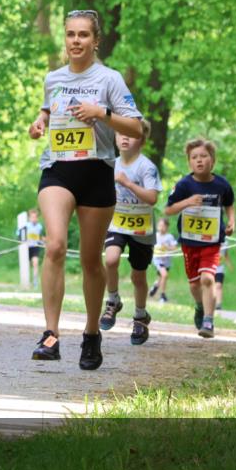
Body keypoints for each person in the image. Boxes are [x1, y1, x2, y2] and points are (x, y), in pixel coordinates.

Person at [27, 9, 143, 368]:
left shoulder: (109, 79)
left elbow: (137, 128)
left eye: (83, 35)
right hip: (58, 169)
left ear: (95, 41)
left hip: (97, 171)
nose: (76, 41)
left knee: (92, 261)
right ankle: (50, 334)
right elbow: (49, 111)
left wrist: (102, 114)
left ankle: (92, 334)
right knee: (56, 245)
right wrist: (40, 120)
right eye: (70, 34)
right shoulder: (53, 78)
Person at [165, 138, 235, 339]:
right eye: (194, 157)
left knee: (208, 278)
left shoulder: (222, 185)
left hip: (212, 241)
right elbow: (169, 209)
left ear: (212, 160)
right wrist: (186, 202)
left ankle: (208, 320)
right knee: (194, 284)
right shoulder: (184, 185)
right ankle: (199, 306)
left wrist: (231, 221)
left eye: (204, 156)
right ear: (189, 162)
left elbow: (229, 204)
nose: (199, 160)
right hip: (189, 242)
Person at [100, 120, 161, 345]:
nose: (125, 138)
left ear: (142, 141)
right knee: (111, 259)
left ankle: (140, 316)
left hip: (141, 225)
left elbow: (153, 198)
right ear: (115, 138)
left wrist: (127, 183)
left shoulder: (146, 167)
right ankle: (113, 301)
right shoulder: (110, 164)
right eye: (120, 133)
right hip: (117, 222)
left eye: (131, 135)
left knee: (138, 275)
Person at [149, 217, 177, 303]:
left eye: (163, 226)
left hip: (167, 261)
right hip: (158, 260)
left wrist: (167, 247)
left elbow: (174, 247)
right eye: (160, 225)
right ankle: (163, 296)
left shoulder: (169, 237)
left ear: (167, 227)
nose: (161, 227)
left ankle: (155, 286)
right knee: (164, 275)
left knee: (161, 278)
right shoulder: (155, 236)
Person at [18, 208, 45, 288]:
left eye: (35, 217)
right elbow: (19, 234)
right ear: (29, 218)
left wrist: (43, 242)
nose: (34, 219)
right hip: (26, 248)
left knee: (35, 263)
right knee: (27, 265)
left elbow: (40, 237)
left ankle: (35, 282)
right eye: (32, 217)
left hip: (35, 247)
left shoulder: (39, 226)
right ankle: (27, 282)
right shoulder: (26, 226)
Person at [214, 244, 232, 310]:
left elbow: (226, 254)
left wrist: (229, 264)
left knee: (218, 285)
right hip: (211, 267)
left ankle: (218, 304)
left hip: (220, 268)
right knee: (211, 286)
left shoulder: (225, 243)